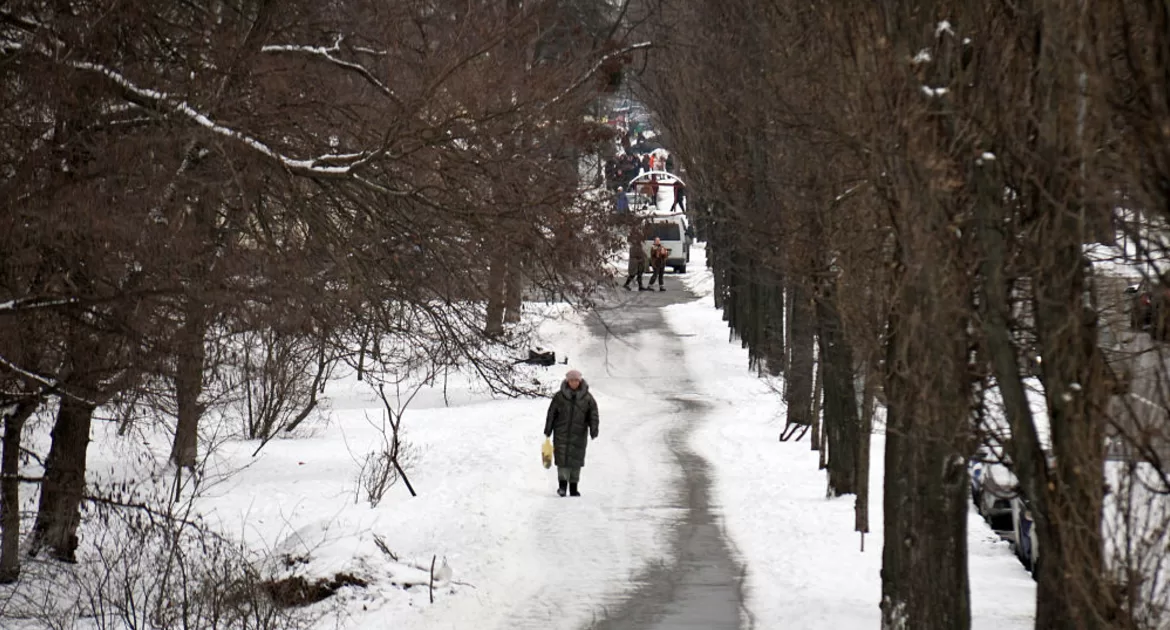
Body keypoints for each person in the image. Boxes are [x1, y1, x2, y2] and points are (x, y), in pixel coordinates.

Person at [543, 369, 599, 497]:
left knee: (576, 460)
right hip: (561, 433)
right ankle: (562, 486)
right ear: (567, 381)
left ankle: (574, 487)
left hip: (579, 434)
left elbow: (593, 415)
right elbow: (551, 414)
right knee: (562, 459)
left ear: (580, 381)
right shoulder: (559, 397)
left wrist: (594, 429)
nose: (574, 383)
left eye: (576, 380)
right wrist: (548, 429)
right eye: (571, 380)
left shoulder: (587, 398)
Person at [623, 226, 650, 291]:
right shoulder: (633, 246)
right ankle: (627, 284)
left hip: (639, 259)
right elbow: (635, 253)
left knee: (639, 273)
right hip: (635, 260)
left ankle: (640, 286)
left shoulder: (638, 245)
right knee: (633, 273)